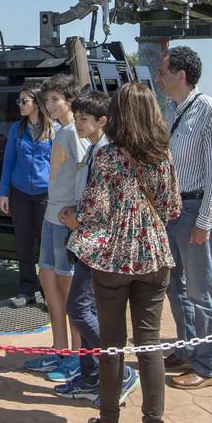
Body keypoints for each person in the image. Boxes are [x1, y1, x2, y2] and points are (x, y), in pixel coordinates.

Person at [69, 82, 180, 423]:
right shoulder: (161, 154)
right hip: (153, 257)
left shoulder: (108, 157)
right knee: (150, 347)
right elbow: (170, 206)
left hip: (113, 259)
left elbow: (96, 211)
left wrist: (75, 219)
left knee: (112, 345)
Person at [154, 46, 212, 390]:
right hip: (172, 209)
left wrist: (206, 219)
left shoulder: (210, 111)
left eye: (163, 71)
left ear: (180, 75)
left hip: (194, 209)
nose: (159, 77)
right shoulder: (172, 110)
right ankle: (188, 347)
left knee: (201, 290)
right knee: (175, 286)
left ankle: (207, 366)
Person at [55, 92, 137, 405]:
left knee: (78, 307)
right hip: (86, 240)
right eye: (76, 118)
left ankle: (118, 368)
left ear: (102, 121)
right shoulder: (94, 149)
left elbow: (106, 203)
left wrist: (78, 218)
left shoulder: (107, 153)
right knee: (85, 309)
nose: (77, 123)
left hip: (98, 245)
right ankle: (91, 376)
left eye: (84, 119)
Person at [24, 74, 88, 382]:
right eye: (46, 100)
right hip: (51, 215)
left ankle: (77, 356)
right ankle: (59, 348)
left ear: (69, 100)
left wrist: (77, 213)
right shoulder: (60, 131)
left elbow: (85, 172)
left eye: (55, 100)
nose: (49, 106)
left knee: (68, 287)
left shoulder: (75, 132)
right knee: (48, 282)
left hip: (65, 220)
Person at [0, 84, 53, 307]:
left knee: (46, 245)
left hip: (45, 194)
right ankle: (26, 290)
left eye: (24, 101)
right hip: (19, 193)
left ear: (37, 103)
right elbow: (8, 161)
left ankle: (50, 293)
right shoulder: (16, 129)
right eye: (19, 101)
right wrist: (4, 193)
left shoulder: (54, 130)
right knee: (23, 244)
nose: (20, 105)